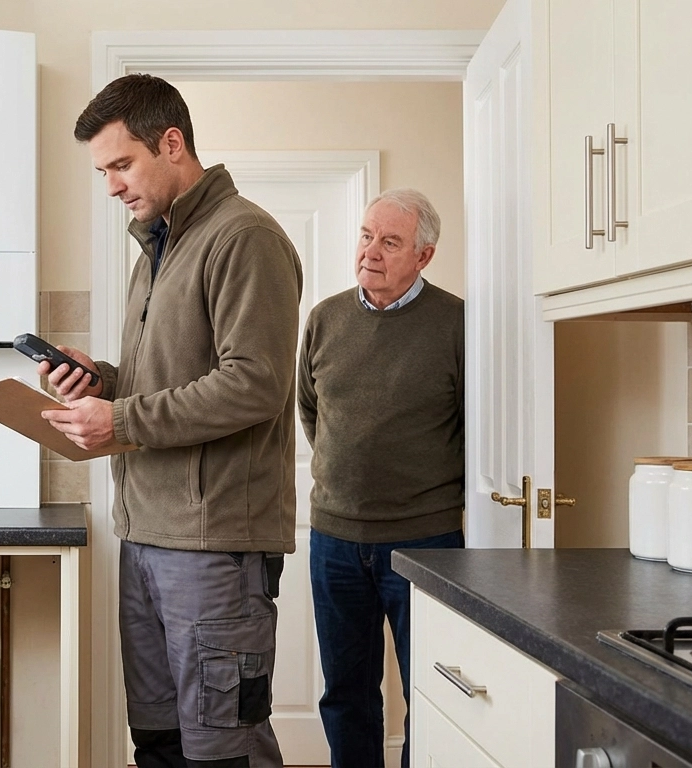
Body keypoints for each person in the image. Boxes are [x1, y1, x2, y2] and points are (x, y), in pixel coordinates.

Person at [38, 73, 303, 768]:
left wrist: (120, 416)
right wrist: (98, 381)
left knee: (225, 748)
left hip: (214, 546)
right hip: (147, 533)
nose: (112, 186)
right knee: (159, 743)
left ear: (173, 143)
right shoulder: (157, 249)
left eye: (121, 165)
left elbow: (256, 385)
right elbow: (168, 385)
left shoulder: (243, 236)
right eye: (103, 171)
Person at [297, 188, 465, 768]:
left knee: (432, 689)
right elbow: (311, 411)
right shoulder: (325, 318)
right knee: (345, 693)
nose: (371, 251)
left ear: (424, 256)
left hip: (426, 544)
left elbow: (476, 430)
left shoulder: (457, 323)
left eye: (390, 242)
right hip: (333, 540)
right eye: (367, 236)